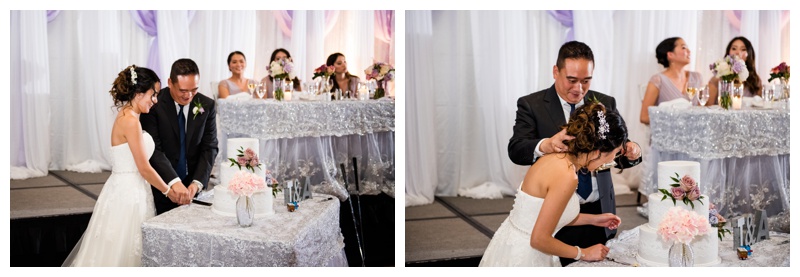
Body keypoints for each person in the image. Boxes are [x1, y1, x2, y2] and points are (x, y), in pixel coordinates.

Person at [507, 41, 642, 267]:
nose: (579, 88)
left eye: (586, 81)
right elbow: (516, 149)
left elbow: (611, 150)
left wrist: (630, 151)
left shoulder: (605, 103)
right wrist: (546, 145)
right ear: (556, 71)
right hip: (555, 212)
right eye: (572, 80)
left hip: (598, 209)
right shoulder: (532, 104)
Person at [482, 103, 626, 267]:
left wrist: (594, 219)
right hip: (527, 256)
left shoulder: (554, 157)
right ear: (599, 151)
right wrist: (584, 253)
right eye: (615, 154)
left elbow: (544, 215)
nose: (612, 160)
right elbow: (539, 240)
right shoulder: (567, 176)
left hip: (510, 244)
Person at [63, 65, 177, 266]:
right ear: (139, 92)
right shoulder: (130, 121)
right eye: (153, 94)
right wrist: (169, 191)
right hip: (128, 195)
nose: (155, 100)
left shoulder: (129, 115)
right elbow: (143, 168)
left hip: (129, 189)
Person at [141, 58, 219, 215]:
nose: (189, 96)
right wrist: (174, 182)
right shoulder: (153, 104)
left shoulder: (207, 105)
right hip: (163, 184)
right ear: (170, 82)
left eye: (194, 89)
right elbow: (154, 149)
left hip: (194, 187)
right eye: (183, 91)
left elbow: (209, 147)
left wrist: (197, 183)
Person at [640, 37, 705, 124]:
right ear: (670, 55)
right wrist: (672, 120)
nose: (689, 51)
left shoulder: (697, 77)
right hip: (668, 133)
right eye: (683, 47)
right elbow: (644, 117)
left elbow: (703, 110)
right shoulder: (658, 80)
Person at [707, 36, 762, 101]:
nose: (737, 52)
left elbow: (759, 106)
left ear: (749, 54)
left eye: (743, 49)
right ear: (728, 52)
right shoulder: (717, 79)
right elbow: (706, 107)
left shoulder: (755, 80)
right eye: (734, 48)